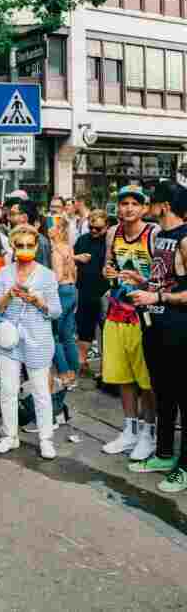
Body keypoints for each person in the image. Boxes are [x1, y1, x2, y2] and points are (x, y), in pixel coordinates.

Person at [128, 181, 187, 491]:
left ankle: (185, 467)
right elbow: (165, 279)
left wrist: (158, 299)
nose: (147, 206)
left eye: (151, 202)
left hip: (180, 330)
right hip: (155, 328)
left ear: (164, 206)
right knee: (163, 394)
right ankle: (164, 453)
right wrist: (144, 281)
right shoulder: (162, 236)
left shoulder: (185, 238)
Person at [0, 225, 62, 459]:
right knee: (8, 389)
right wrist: (9, 294)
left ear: (36, 246)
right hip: (9, 338)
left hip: (38, 339)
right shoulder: (3, 273)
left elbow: (55, 312)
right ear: (12, 246)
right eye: (19, 245)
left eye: (29, 245)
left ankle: (45, 439)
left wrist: (37, 301)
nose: (24, 249)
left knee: (41, 390)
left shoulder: (47, 275)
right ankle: (10, 436)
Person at [100, 186, 158, 460]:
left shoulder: (154, 234)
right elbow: (106, 268)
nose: (129, 208)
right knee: (122, 376)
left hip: (144, 315)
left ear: (145, 208)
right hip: (116, 311)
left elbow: (164, 279)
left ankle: (150, 432)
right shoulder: (113, 233)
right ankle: (129, 430)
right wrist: (109, 273)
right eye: (124, 203)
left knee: (146, 379)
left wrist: (141, 281)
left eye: (135, 203)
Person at [73, 210, 109, 380]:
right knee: (84, 328)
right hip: (85, 291)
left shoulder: (111, 241)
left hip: (104, 292)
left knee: (106, 332)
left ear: (106, 226)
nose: (94, 231)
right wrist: (76, 257)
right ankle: (82, 362)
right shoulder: (82, 239)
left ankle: (106, 368)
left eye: (98, 228)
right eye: (91, 227)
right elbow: (69, 258)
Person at [49, 215, 79, 388]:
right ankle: (73, 374)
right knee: (67, 336)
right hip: (71, 289)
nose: (48, 229)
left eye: (51, 226)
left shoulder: (56, 251)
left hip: (61, 291)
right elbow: (74, 273)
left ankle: (65, 374)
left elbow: (58, 276)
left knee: (55, 337)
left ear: (58, 230)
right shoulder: (68, 247)